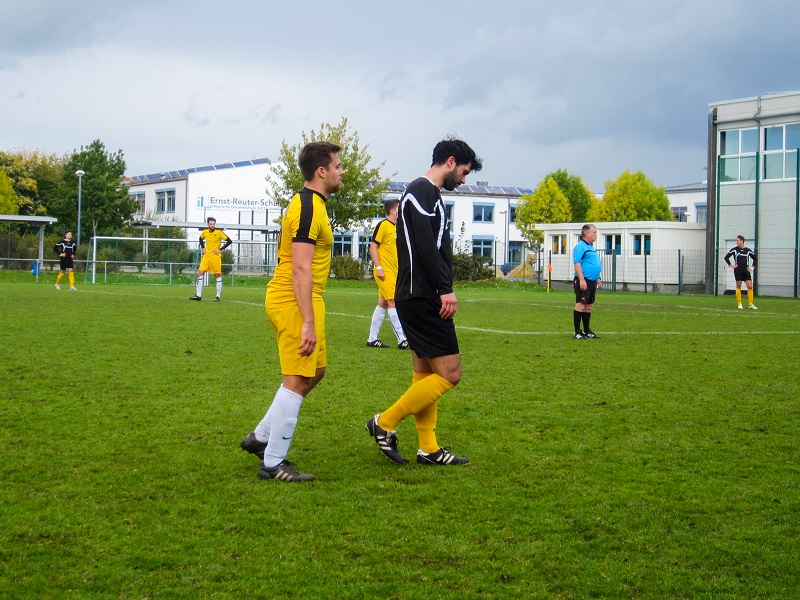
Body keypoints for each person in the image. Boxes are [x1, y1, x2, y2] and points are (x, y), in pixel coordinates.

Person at [366, 137, 482, 467]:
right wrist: (444, 288)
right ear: (450, 161)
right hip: (423, 295)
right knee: (450, 373)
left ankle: (428, 449)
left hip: (415, 294)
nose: (464, 178)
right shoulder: (422, 191)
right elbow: (425, 246)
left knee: (424, 372)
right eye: (464, 171)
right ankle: (383, 423)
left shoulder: (425, 194)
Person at [240, 141, 344, 482]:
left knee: (316, 372)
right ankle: (273, 463)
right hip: (293, 298)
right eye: (338, 165)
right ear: (322, 171)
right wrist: (308, 323)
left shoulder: (315, 204)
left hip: (305, 298)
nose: (343, 171)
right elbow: (300, 268)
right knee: (298, 379)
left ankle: (260, 436)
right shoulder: (308, 207)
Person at [366, 199, 409, 350]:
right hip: (385, 272)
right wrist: (379, 268)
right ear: (392, 211)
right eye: (399, 208)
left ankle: (372, 338)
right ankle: (402, 339)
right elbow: (373, 247)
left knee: (383, 303)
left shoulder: (398, 227)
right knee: (393, 302)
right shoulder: (383, 225)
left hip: (395, 272)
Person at [189, 217, 232, 302]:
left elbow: (229, 241)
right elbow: (200, 238)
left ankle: (218, 296)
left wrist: (220, 249)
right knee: (200, 272)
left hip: (215, 257)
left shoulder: (219, 233)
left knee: (217, 275)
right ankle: (198, 295)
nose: (212, 225)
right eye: (210, 224)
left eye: (213, 224)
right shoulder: (205, 232)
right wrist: (203, 247)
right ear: (208, 224)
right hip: (206, 257)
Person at [573, 224, 602, 339]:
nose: (596, 235)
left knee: (588, 306)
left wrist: (597, 277)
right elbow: (577, 264)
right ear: (587, 234)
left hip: (592, 281)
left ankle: (586, 330)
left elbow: (592, 264)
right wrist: (581, 280)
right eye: (594, 232)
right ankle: (577, 332)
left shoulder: (591, 247)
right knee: (581, 304)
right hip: (584, 280)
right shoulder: (580, 247)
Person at [724, 235, 758, 309]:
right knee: (738, 286)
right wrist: (731, 265)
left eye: (737, 240)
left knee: (750, 286)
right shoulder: (734, 250)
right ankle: (739, 303)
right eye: (736, 240)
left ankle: (750, 304)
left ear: (742, 241)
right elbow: (726, 257)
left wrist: (752, 267)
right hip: (738, 270)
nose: (736, 242)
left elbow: (755, 259)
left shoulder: (748, 250)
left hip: (746, 271)